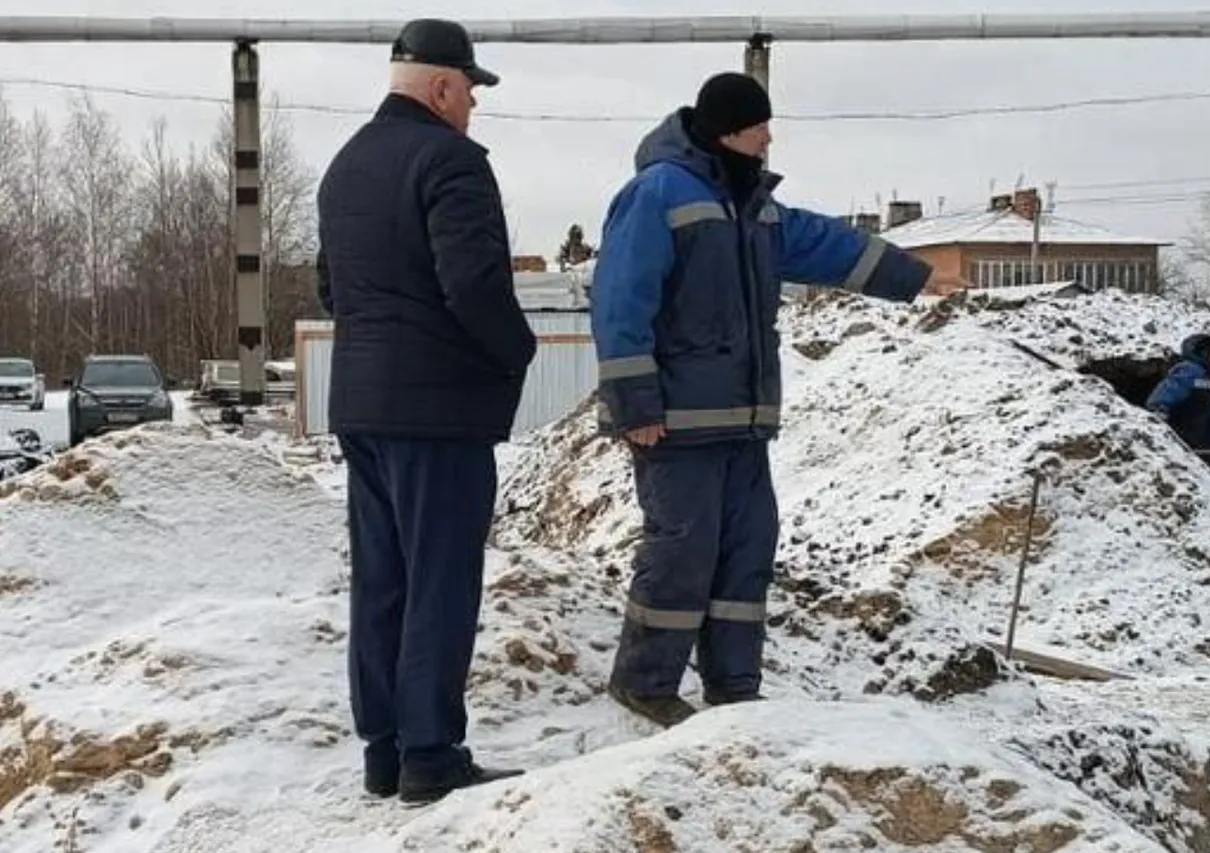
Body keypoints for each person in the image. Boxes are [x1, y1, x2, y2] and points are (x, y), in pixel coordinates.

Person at [592, 72, 968, 727]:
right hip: (676, 422)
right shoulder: (657, 194)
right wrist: (635, 407)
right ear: (730, 129)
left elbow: (828, 244)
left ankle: (734, 686)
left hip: (743, 420)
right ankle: (645, 682)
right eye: (761, 125)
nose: (770, 137)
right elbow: (622, 301)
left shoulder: (756, 207)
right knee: (683, 551)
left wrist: (919, 276)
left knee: (747, 550)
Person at [315, 18, 537, 803]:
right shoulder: (451, 162)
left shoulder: (346, 166)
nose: (473, 106)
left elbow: (331, 292)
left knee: (384, 580)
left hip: (363, 405)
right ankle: (433, 755)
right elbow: (474, 285)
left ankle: (385, 750)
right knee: (441, 582)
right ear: (442, 86)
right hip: (438, 412)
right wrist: (519, 353)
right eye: (471, 90)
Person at [1145, 326, 1210, 453]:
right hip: (1182, 452)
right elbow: (1158, 403)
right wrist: (1166, 442)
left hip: (1207, 453)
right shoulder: (1191, 372)